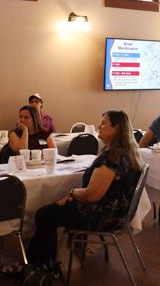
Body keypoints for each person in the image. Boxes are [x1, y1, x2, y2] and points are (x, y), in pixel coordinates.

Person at [27, 110, 144, 266]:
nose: (98, 126)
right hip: (118, 212)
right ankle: (35, 263)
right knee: (50, 212)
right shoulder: (128, 153)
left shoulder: (112, 158)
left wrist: (72, 192)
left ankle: (43, 266)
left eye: (103, 123)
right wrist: (75, 195)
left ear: (116, 128)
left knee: (44, 215)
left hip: (102, 216)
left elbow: (91, 195)